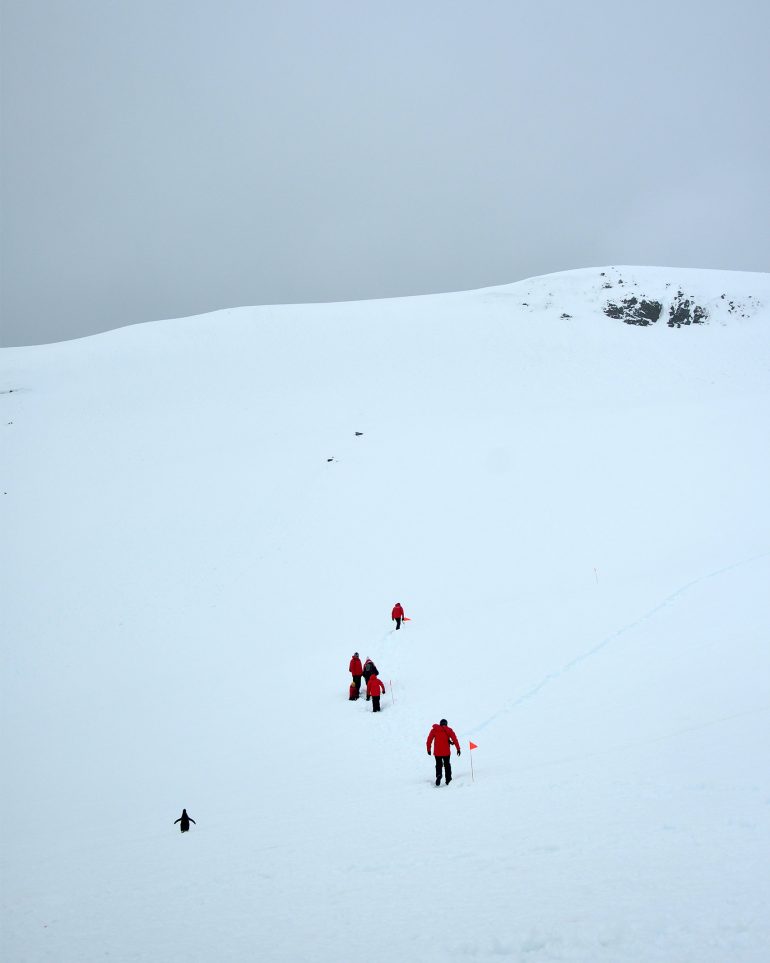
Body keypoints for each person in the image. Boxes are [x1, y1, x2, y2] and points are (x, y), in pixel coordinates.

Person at [426, 719, 461, 786]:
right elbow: (455, 739)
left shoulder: (434, 730)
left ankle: (439, 775)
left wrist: (428, 749)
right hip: (446, 752)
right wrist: (458, 749)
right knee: (447, 765)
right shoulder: (449, 730)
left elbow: (429, 740)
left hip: (437, 752)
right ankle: (448, 779)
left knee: (438, 764)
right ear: (446, 724)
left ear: (440, 724)